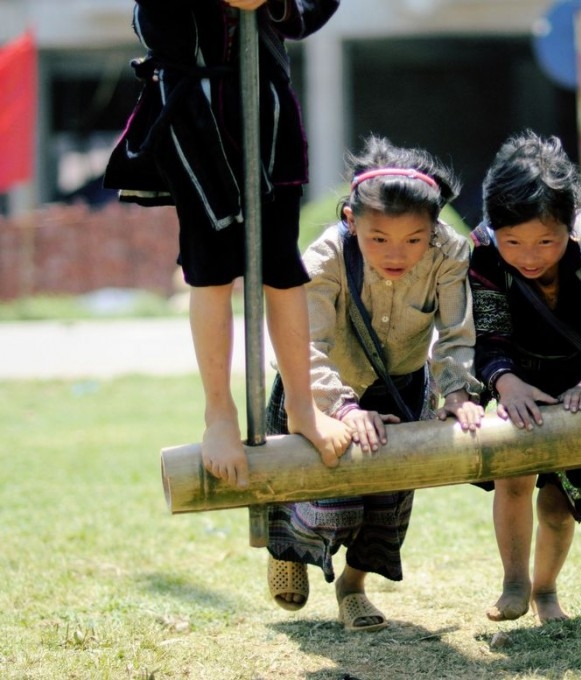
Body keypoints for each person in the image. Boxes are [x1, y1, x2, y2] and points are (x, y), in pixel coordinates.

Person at [103, 0, 349, 487]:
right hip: (195, 112)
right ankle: (219, 413)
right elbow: (154, 23)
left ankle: (303, 405)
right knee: (210, 268)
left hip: (270, 108)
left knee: (282, 265)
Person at [264, 136, 485, 631]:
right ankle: (288, 552)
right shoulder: (322, 260)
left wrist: (456, 393)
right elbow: (303, 345)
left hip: (399, 386)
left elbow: (455, 335)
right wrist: (341, 408)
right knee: (311, 485)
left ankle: (353, 586)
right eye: (378, 238)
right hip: (320, 389)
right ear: (350, 220)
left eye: (414, 240)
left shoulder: (449, 253)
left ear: (434, 229)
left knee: (387, 501)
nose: (397, 253)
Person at [469, 131, 581, 624]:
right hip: (519, 376)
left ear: (570, 223)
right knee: (512, 475)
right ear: (494, 228)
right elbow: (488, 331)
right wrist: (504, 381)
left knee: (560, 504)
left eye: (546, 240)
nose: (530, 255)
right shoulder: (481, 251)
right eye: (513, 241)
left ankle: (545, 590)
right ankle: (514, 582)